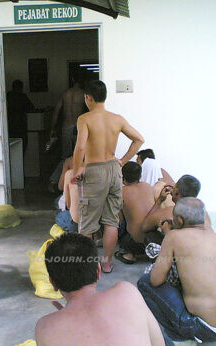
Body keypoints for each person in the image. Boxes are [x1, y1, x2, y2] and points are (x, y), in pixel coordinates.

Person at [137, 198, 216, 343]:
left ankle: (179, 335)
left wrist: (168, 234)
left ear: (179, 220)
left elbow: (156, 280)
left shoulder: (174, 237)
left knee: (144, 283)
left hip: (204, 328)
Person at [35, 233, 165, 346]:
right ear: (98, 271)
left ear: (52, 283)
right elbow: (159, 343)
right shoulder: (127, 292)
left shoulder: (45, 328)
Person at [73, 80, 145, 273]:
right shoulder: (117, 119)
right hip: (114, 170)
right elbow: (139, 139)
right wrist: (122, 160)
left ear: (88, 97)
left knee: (87, 223)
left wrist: (76, 168)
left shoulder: (85, 119)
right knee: (111, 221)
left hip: (94, 170)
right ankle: (106, 263)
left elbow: (80, 147)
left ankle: (90, 266)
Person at [140, 175, 212, 245]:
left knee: (150, 236)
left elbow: (145, 227)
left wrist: (159, 201)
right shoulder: (204, 214)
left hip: (178, 252)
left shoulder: (169, 212)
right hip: (200, 251)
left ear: (177, 192)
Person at [116, 162, 155, 264]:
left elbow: (118, 221)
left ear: (123, 178)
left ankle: (129, 254)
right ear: (140, 176)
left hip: (135, 242)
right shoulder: (148, 187)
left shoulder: (121, 192)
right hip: (154, 239)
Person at [49, 76, 87, 159]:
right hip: (78, 126)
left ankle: (67, 170)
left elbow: (56, 111)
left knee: (66, 156)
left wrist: (53, 128)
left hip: (66, 125)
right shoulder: (83, 94)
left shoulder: (65, 93)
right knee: (80, 155)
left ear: (72, 80)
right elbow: (91, 111)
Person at [7, 79, 35, 153]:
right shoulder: (22, 97)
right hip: (21, 125)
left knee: (11, 149)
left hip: (10, 125)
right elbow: (31, 108)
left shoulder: (8, 96)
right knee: (22, 147)